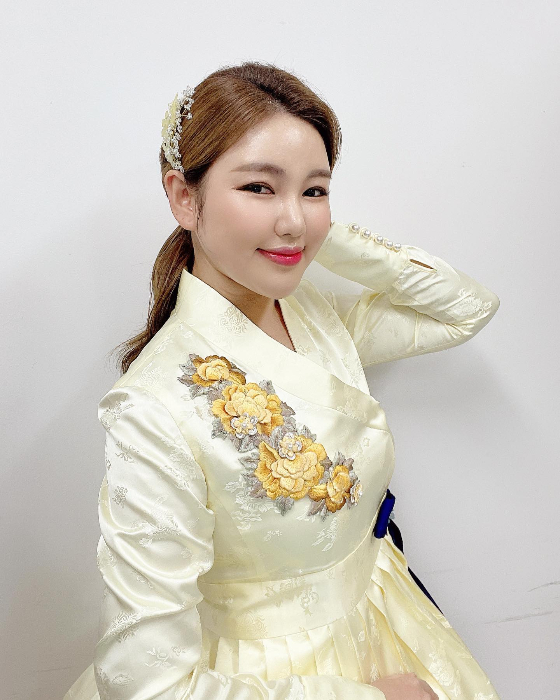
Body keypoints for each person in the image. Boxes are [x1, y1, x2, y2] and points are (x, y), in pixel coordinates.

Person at [63, 61, 501, 700]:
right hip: (267, 675)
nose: (293, 218)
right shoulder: (153, 407)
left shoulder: (314, 316)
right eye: (259, 187)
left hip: (385, 616)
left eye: (315, 189)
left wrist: (316, 236)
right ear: (183, 196)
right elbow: (146, 686)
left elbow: (465, 308)